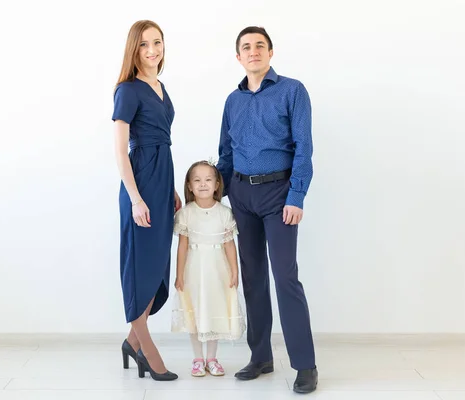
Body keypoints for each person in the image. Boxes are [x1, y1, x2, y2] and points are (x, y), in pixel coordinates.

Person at [216, 26, 318, 393]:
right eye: (246, 47)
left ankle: (305, 365)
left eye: (260, 45)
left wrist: (297, 196)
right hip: (241, 194)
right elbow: (226, 153)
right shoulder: (233, 100)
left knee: (285, 277)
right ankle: (260, 356)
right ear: (238, 57)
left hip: (279, 194)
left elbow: (304, 148)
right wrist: (214, 196)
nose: (253, 51)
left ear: (270, 53)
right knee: (252, 277)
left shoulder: (292, 91)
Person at [112, 20, 182, 381]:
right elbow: (121, 153)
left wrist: (168, 188)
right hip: (139, 184)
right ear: (133, 50)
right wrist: (137, 199)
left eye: (157, 42)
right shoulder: (127, 90)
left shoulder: (160, 86)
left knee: (157, 268)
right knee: (140, 267)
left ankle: (130, 342)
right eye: (144, 45)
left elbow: (161, 143)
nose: (152, 50)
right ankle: (149, 353)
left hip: (161, 180)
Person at [171, 160, 245, 377]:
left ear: (216, 184)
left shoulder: (224, 213)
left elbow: (229, 244)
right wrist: (179, 274)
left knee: (213, 310)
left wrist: (234, 270)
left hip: (217, 271)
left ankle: (212, 358)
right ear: (189, 186)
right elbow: (182, 246)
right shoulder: (186, 213)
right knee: (195, 313)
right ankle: (197, 359)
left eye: (208, 180)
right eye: (197, 180)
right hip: (194, 270)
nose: (203, 184)